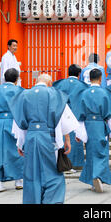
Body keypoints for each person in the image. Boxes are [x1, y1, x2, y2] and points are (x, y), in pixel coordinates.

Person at [9, 74, 81, 204]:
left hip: (31, 138)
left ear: (36, 82)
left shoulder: (24, 95)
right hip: (49, 138)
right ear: (49, 83)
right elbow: (64, 119)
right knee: (53, 174)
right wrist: (67, 140)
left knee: (32, 174)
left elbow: (19, 123)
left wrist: (20, 144)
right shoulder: (55, 95)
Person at [74, 68, 111, 193]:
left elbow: (80, 114)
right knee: (102, 151)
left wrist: (78, 132)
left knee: (90, 152)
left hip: (88, 124)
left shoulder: (84, 93)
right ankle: (97, 176)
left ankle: (92, 181)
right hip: (100, 124)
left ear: (89, 79)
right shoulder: (105, 93)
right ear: (101, 79)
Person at [0, 68, 24, 193]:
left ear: (4, 78)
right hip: (15, 122)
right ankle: (18, 181)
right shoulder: (20, 91)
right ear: (17, 79)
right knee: (17, 152)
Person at [53, 64, 88, 172]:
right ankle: (73, 164)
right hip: (76, 114)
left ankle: (61, 162)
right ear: (78, 74)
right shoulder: (83, 85)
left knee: (61, 137)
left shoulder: (59, 84)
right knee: (74, 138)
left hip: (60, 113)